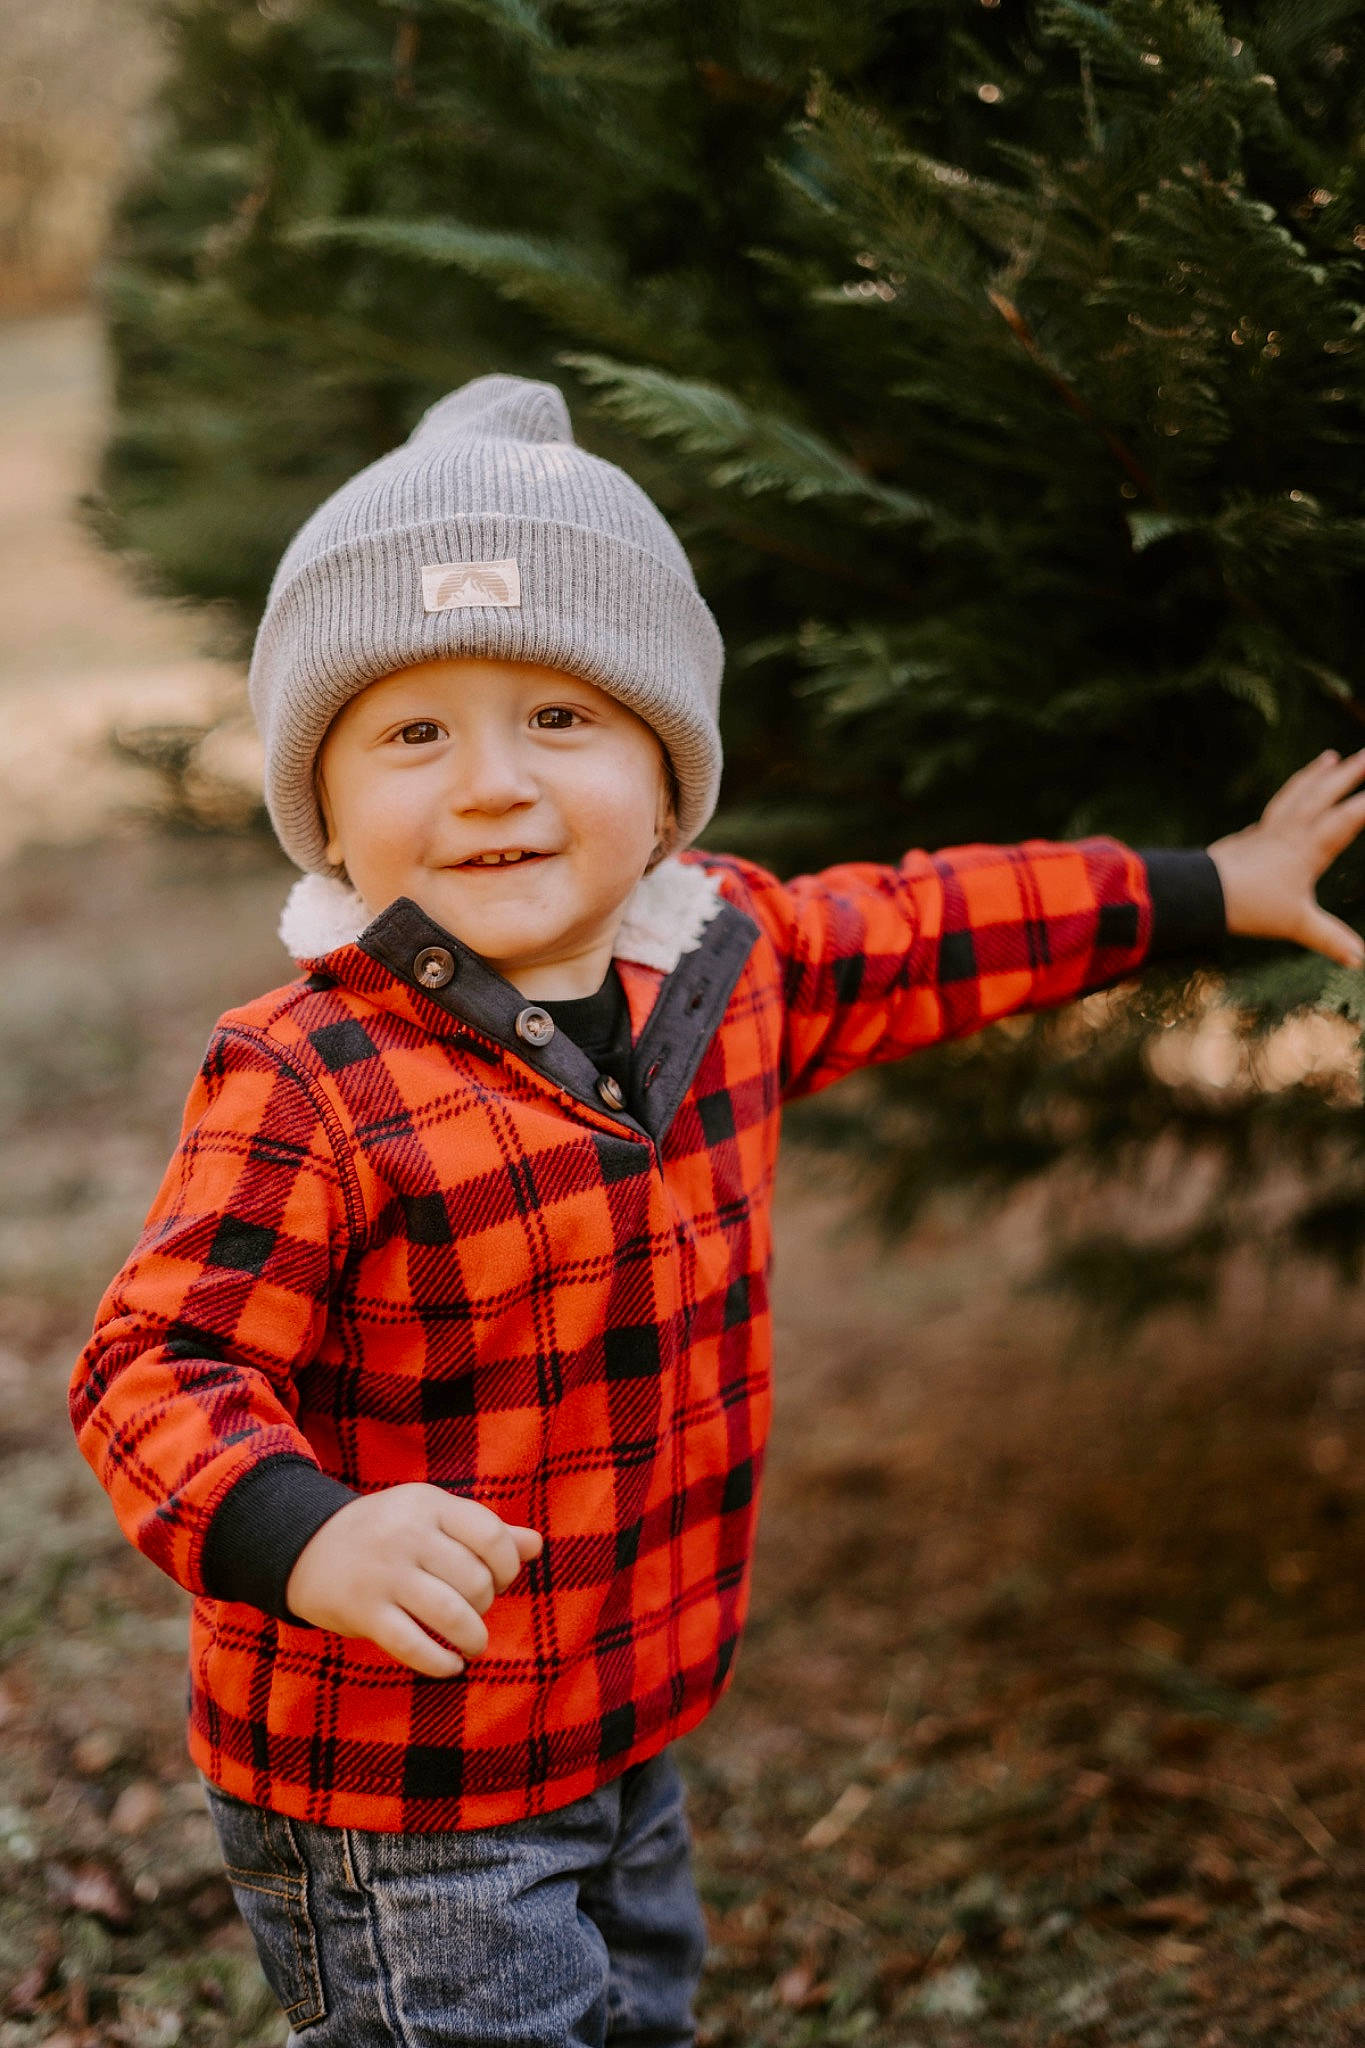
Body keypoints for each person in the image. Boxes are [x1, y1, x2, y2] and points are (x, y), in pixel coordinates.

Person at [68, 373, 1365, 2048]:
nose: (487, 786)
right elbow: (146, 1367)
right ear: (320, 802)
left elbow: (931, 927)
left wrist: (1202, 889)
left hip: (628, 1706)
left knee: (641, 2014)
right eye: (411, 732)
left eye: (559, 719)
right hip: (407, 1787)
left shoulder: (724, 961)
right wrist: (301, 1530)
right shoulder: (312, 1074)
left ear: (669, 777)